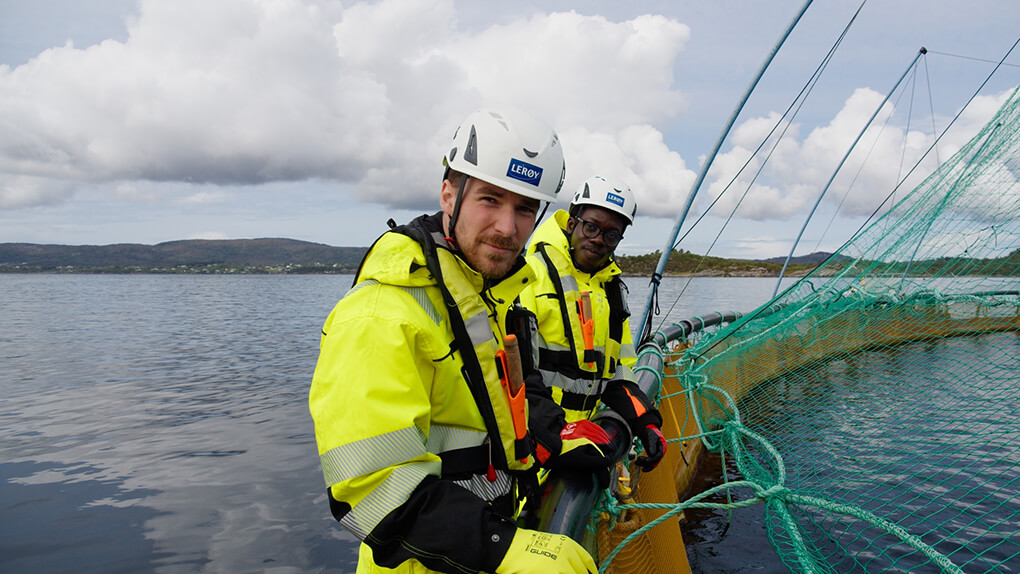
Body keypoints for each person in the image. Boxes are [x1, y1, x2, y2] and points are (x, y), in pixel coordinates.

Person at [309, 108, 597, 574]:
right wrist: (504, 547)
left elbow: (514, 409)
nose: (508, 226)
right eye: (490, 199)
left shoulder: (496, 299)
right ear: (449, 195)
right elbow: (371, 488)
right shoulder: (381, 316)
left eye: (525, 207)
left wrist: (559, 437)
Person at [517, 175, 667, 487]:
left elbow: (617, 374)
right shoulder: (528, 277)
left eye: (612, 235)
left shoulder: (612, 292)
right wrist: (557, 433)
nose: (599, 239)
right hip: (531, 447)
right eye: (592, 227)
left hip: (585, 441)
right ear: (572, 223)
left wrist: (646, 423)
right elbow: (514, 378)